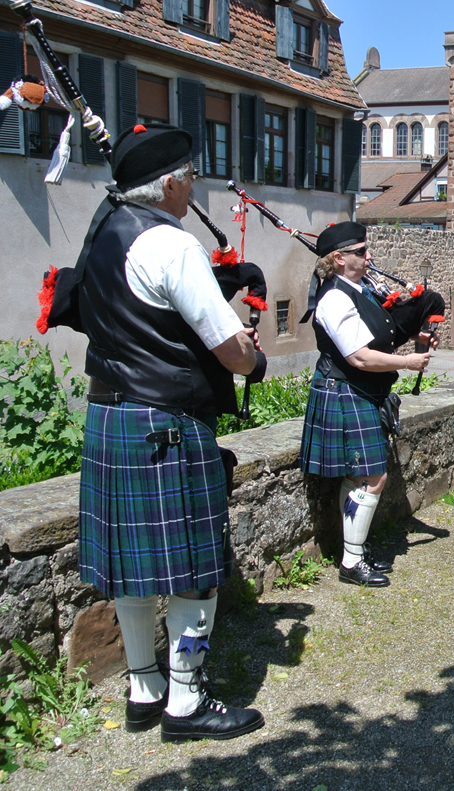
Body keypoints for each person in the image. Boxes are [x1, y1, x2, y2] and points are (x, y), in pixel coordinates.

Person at [74, 124, 266, 742]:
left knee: (130, 569)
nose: (192, 187)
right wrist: (252, 354)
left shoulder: (103, 231)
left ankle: (143, 687)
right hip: (166, 424)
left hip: (110, 414)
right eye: (188, 177)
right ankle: (184, 703)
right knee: (194, 571)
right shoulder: (171, 245)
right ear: (168, 185)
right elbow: (232, 353)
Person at [299, 222, 440, 588]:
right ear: (338, 258)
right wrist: (408, 363)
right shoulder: (334, 298)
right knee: (371, 477)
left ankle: (354, 552)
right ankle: (351, 560)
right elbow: (360, 357)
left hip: (362, 392)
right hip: (344, 389)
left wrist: (419, 335)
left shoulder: (360, 289)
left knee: (363, 475)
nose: (368, 256)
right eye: (361, 251)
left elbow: (384, 334)